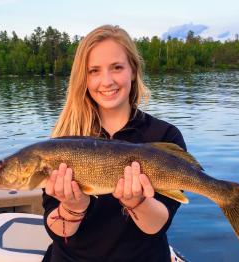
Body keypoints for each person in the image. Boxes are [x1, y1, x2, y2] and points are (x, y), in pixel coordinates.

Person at [42, 25, 187, 262]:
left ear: (133, 70)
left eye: (117, 67)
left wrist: (138, 203)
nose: (106, 81)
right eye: (94, 71)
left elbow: (156, 226)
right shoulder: (64, 140)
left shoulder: (165, 136)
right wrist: (73, 207)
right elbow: (58, 232)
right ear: (84, 78)